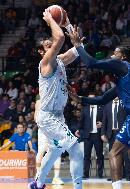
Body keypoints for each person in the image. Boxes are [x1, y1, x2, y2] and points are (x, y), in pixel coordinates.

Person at [67, 26, 130, 189]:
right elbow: (103, 99)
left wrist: (77, 45)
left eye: (115, 53)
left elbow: (91, 62)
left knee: (113, 152)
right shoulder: (126, 78)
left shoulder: (122, 64)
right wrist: (79, 98)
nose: (112, 56)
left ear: (122, 56)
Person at [28, 9, 83, 189]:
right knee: (75, 149)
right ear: (40, 51)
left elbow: (79, 48)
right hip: (48, 116)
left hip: (57, 115)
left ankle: (38, 183)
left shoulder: (59, 60)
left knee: (54, 151)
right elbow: (59, 38)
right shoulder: (45, 63)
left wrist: (68, 25)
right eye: (46, 45)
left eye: (50, 43)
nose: (51, 45)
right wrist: (51, 19)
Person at [101, 97, 130, 181]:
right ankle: (114, 176)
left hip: (123, 133)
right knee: (113, 155)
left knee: (126, 155)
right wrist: (102, 133)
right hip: (111, 134)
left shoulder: (124, 104)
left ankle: (128, 176)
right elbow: (104, 121)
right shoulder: (107, 106)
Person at [34, 100, 64, 185]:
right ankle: (38, 175)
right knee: (41, 150)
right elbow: (36, 118)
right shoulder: (39, 102)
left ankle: (56, 177)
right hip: (43, 129)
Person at [78, 93, 104, 179]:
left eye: (93, 99)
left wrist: (102, 124)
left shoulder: (101, 108)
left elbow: (106, 120)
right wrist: (79, 130)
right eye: (89, 99)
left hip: (97, 135)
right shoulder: (85, 109)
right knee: (86, 156)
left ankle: (100, 174)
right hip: (87, 136)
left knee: (99, 155)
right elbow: (81, 122)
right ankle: (85, 174)